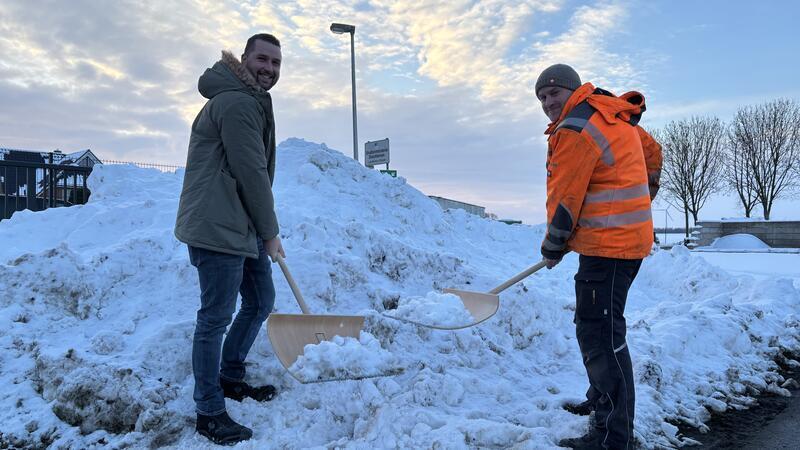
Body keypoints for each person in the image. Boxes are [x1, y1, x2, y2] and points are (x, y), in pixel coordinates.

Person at [535, 64, 655, 450]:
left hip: (610, 248)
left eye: (554, 93)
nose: (548, 103)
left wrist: (554, 246)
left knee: (601, 335)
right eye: (541, 97)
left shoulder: (576, 128)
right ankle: (600, 400)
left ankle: (611, 436)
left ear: (572, 90)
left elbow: (565, 200)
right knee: (597, 325)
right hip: (619, 244)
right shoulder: (611, 114)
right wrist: (642, 192)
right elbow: (654, 153)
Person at [174, 33, 286, 445]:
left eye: (276, 63)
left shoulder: (249, 99)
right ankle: (209, 410)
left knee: (260, 301)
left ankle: (229, 376)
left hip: (240, 222)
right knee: (215, 318)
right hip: (218, 226)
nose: (269, 69)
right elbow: (251, 172)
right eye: (263, 59)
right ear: (244, 59)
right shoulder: (238, 102)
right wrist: (271, 232)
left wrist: (261, 228)